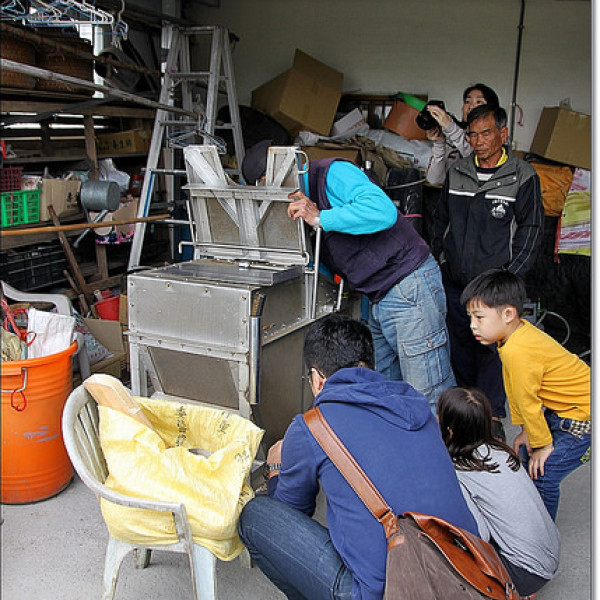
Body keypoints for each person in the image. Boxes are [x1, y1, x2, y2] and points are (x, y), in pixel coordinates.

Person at [238, 314, 480, 600]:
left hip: (389, 591)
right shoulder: (416, 404)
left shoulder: (312, 426)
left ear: (317, 379)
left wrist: (277, 468)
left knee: (255, 516)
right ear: (371, 366)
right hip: (468, 574)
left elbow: (289, 513)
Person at [242, 142, 455, 410]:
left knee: (428, 395)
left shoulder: (331, 173)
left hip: (409, 284)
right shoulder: (295, 206)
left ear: (280, 173)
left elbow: (383, 211)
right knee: (384, 392)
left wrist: (320, 217)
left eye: (267, 186)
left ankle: (447, 440)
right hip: (378, 296)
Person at [431, 104, 544, 441]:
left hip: (495, 286)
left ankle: (492, 416)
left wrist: (509, 279)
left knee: (494, 351)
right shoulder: (458, 171)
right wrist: (442, 258)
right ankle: (468, 415)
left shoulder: (522, 176)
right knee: (460, 344)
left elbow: (531, 231)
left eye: (486, 133)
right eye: (473, 135)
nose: (478, 141)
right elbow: (439, 220)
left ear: (503, 134)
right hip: (456, 281)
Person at [460, 268, 591, 520]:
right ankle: (529, 516)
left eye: (479, 317)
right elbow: (515, 389)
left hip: (583, 417)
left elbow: (528, 402)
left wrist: (542, 444)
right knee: (525, 454)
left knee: (544, 474)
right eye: (470, 317)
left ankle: (542, 534)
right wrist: (525, 430)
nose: (473, 325)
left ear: (508, 314)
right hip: (566, 409)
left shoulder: (519, 350)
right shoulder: (514, 336)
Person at [437, 386, 560, 598]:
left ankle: (509, 591)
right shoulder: (501, 452)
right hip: (552, 551)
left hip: (527, 573)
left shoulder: (459, 472)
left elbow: (479, 533)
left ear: (450, 431)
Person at [425, 83, 499, 185]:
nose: (471, 107)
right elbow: (434, 180)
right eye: (467, 102)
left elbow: (477, 158)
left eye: (479, 102)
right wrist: (439, 143)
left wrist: (450, 127)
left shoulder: (497, 138)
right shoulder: (454, 138)